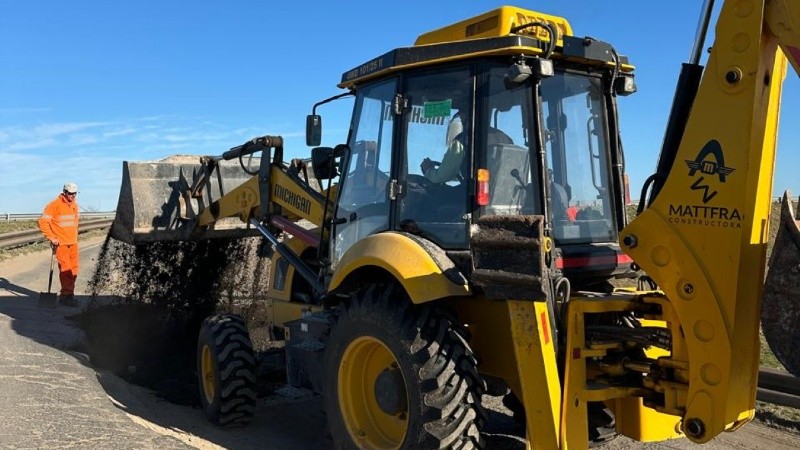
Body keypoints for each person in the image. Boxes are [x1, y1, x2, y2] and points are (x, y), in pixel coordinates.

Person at [38, 182, 80, 307]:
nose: (72, 196)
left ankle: (68, 293)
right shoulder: (54, 205)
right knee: (66, 269)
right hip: (61, 243)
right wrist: (52, 238)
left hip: (73, 242)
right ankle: (66, 296)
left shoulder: (75, 206)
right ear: (64, 192)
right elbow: (43, 222)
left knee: (74, 270)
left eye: (74, 194)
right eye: (70, 194)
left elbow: (75, 222)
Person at [421, 113, 464, 184]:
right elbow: (458, 175)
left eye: (462, 114)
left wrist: (428, 171)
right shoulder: (486, 138)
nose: (461, 118)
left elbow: (441, 176)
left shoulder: (462, 141)